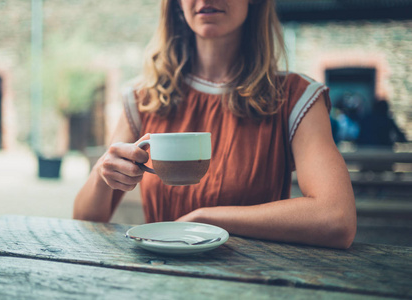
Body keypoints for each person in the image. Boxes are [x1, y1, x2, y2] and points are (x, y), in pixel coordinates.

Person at [74, 0, 356, 249]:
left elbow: (336, 218)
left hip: (259, 277)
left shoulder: (297, 96)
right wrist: (102, 173)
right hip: (160, 278)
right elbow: (85, 222)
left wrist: (207, 217)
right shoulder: (142, 98)